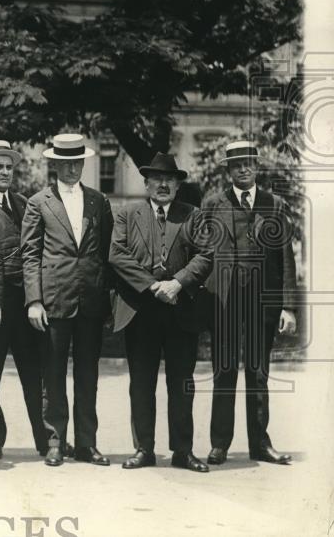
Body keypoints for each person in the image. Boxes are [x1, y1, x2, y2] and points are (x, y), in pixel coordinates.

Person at [108, 152, 213, 473]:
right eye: (157, 179)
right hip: (140, 311)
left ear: (178, 185)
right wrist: (153, 286)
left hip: (181, 310)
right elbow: (116, 255)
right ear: (147, 183)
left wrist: (177, 284)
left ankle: (183, 451)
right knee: (141, 383)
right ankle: (144, 449)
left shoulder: (192, 215)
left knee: (182, 383)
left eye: (170, 179)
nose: (164, 184)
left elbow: (206, 254)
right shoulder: (127, 214)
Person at [202, 140, 299, 465]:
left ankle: (260, 444)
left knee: (258, 372)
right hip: (224, 300)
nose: (244, 168)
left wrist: (288, 306)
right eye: (237, 164)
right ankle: (220, 444)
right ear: (228, 170)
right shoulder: (214, 204)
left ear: (256, 167)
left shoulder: (275, 205)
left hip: (263, 300)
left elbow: (286, 258)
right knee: (224, 370)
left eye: (249, 163)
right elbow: (202, 254)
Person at [21, 133, 113, 467]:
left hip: (90, 300)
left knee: (88, 374)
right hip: (54, 301)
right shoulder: (38, 202)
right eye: (66, 163)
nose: (73, 169)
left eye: (78, 163)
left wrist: (108, 298)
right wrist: (34, 300)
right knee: (54, 373)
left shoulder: (98, 202)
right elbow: (29, 254)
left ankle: (87, 444)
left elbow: (105, 253)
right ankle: (55, 442)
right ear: (55, 164)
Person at [0, 139, 49, 459]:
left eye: (9, 167)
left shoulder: (22, 202)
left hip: (25, 299)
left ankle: (47, 439)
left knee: (36, 374)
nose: (5, 172)